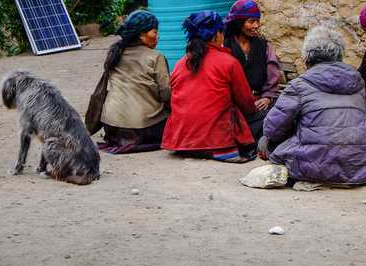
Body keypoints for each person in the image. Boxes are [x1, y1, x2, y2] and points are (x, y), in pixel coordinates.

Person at [258, 26, 366, 186]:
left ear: (307, 58)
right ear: (339, 56)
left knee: (265, 142)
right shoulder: (358, 82)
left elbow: (272, 129)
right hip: (357, 166)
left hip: (313, 168)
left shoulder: (299, 85)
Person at [161, 11, 258, 162]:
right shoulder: (228, 62)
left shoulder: (180, 64)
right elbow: (246, 103)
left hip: (181, 141)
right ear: (217, 35)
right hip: (217, 142)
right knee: (263, 118)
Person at [99, 10, 170, 154]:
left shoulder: (115, 53)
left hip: (111, 125)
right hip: (140, 128)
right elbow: (166, 94)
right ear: (141, 34)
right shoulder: (156, 57)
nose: (158, 37)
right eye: (154, 32)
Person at [224, 0, 280, 140]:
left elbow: (272, 75)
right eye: (250, 21)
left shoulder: (264, 46)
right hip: (233, 105)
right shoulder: (225, 45)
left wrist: (267, 96)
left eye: (257, 21)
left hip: (259, 102)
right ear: (238, 22)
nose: (256, 26)